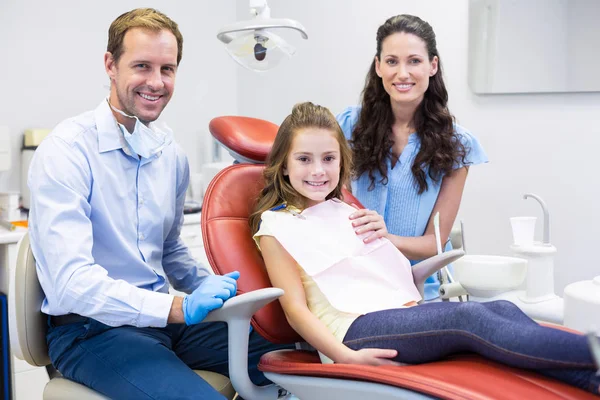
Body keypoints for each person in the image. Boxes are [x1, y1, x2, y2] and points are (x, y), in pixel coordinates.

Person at [250, 101, 600, 395]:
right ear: (283, 165)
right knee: (470, 318)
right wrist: (344, 356)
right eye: (304, 159)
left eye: (328, 158)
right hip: (353, 331)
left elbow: (374, 273)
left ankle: (592, 380)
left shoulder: (346, 211)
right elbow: (296, 309)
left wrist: (398, 258)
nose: (318, 170)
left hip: (396, 310)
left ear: (342, 161)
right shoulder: (276, 227)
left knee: (503, 309)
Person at [28, 8, 290, 400]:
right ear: (110, 65)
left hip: (164, 323)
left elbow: (170, 250)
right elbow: (70, 285)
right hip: (91, 330)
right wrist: (177, 308)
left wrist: (218, 290)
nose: (156, 82)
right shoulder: (67, 151)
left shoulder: (169, 154)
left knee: (300, 355)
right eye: (142, 66)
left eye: (167, 69)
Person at [336, 14, 488, 300]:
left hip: (417, 287)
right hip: (352, 280)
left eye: (414, 61)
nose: (402, 73)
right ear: (378, 67)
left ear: (432, 66)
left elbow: (435, 243)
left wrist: (385, 239)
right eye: (392, 61)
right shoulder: (347, 126)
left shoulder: (457, 144)